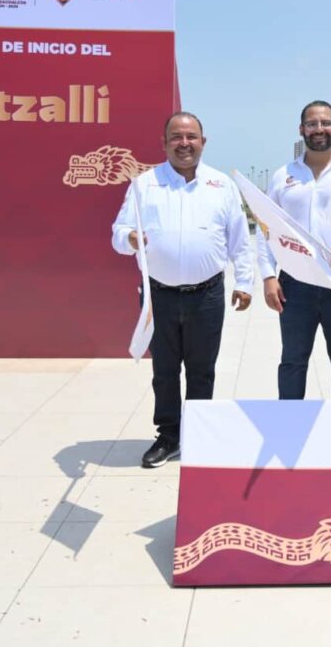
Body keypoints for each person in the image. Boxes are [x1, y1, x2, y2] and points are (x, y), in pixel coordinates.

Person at [112, 112, 254, 467]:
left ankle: (200, 435)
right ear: (164, 143)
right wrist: (130, 238)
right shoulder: (144, 185)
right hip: (158, 294)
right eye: (176, 137)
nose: (184, 143)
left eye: (191, 137)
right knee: (164, 370)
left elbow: (239, 240)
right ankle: (169, 436)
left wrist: (245, 282)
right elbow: (118, 233)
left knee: (202, 369)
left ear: (203, 142)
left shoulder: (222, 185)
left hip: (207, 295)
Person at [259, 100, 331, 400]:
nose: (319, 129)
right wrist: (268, 276)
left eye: (326, 123)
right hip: (295, 282)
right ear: (301, 129)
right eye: (312, 123)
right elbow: (266, 227)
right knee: (292, 361)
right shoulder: (283, 176)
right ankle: (290, 425)